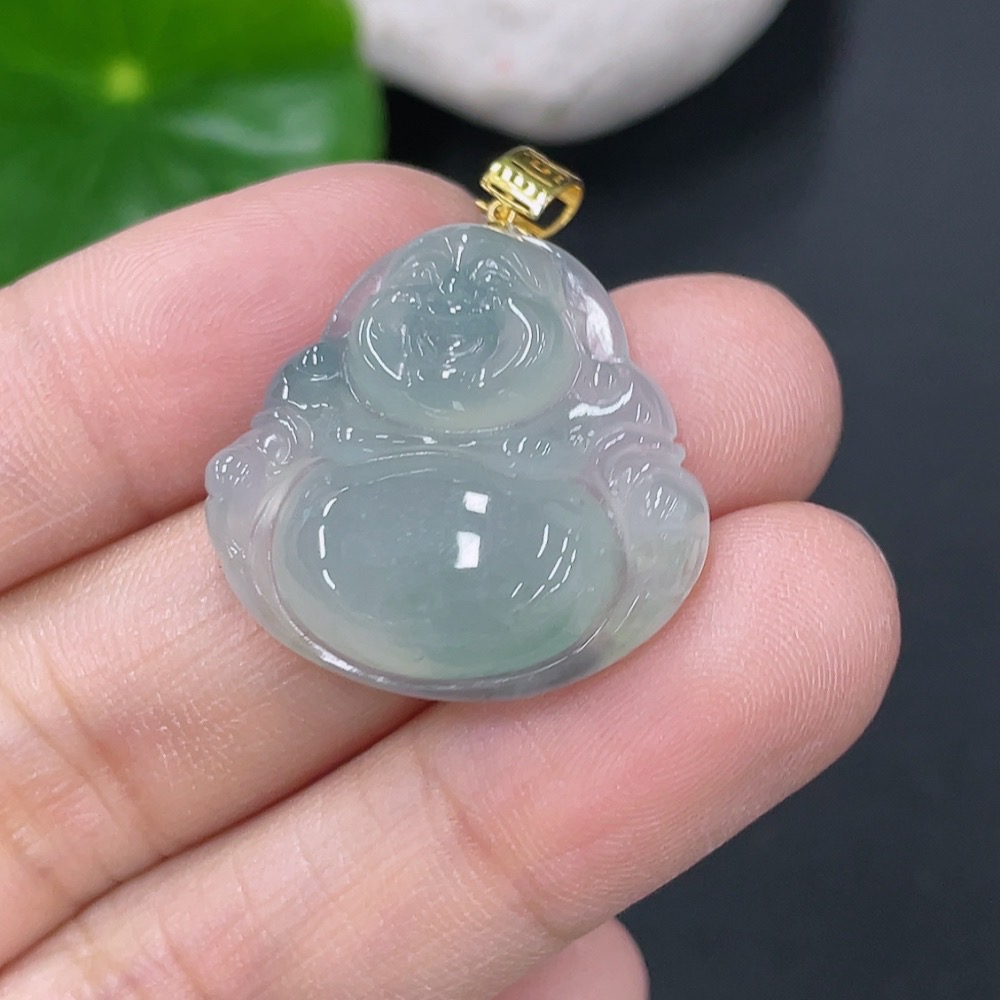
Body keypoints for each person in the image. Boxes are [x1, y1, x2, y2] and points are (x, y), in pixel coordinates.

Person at [0, 164, 900, 999]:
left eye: (492, 313)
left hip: (529, 553)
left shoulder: (582, 409)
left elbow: (634, 468)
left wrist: (642, 508)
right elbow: (278, 447)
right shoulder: (336, 394)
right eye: (421, 306)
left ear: (559, 341)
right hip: (346, 540)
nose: (449, 329)